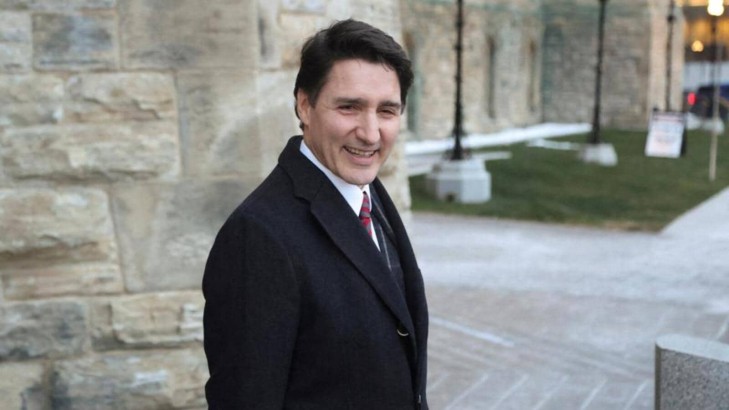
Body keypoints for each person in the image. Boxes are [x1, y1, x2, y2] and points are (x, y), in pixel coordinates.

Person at [202, 19, 428, 409]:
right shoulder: (258, 235)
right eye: (349, 107)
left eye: (387, 111)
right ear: (305, 106)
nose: (370, 133)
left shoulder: (368, 192)